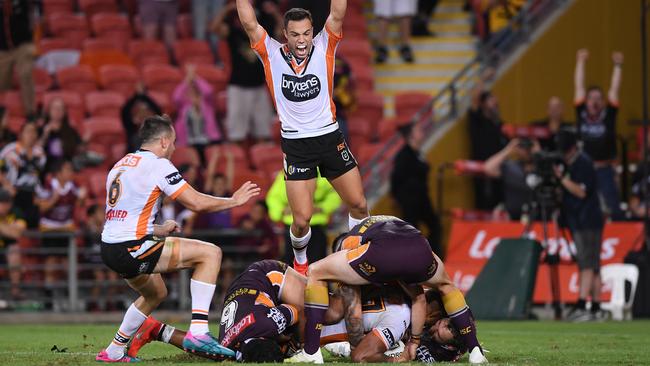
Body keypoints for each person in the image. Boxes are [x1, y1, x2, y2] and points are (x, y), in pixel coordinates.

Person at [96, 115, 260, 362]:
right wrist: (234, 201)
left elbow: (123, 215)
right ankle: (199, 331)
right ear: (163, 141)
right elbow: (195, 202)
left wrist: (158, 229)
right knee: (210, 253)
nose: (174, 148)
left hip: (110, 248)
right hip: (133, 246)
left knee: (156, 292)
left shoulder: (120, 165)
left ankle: (114, 350)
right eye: (173, 142)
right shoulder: (158, 164)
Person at [237, 0, 369, 275]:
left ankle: (358, 258)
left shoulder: (325, 45)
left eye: (306, 33)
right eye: (295, 34)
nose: (302, 40)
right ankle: (300, 261)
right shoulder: (270, 53)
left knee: (358, 203)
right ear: (285, 34)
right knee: (301, 220)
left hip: (329, 137)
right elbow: (250, 23)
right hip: (296, 145)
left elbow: (337, 13)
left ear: (313, 32)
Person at [286, 215, 487, 363]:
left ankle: (311, 351)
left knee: (316, 272)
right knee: (447, 286)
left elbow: (417, 298)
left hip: (391, 243)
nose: (431, 327)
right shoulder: (404, 310)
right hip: (420, 248)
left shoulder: (354, 248)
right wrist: (407, 346)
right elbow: (419, 298)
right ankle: (475, 349)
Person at [126, 260, 307, 362]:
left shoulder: (263, 328)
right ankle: (157, 330)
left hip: (258, 281)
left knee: (312, 309)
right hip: (256, 284)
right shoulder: (230, 346)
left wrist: (286, 339)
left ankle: (156, 329)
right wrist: (296, 345)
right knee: (312, 312)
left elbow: (293, 311)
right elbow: (300, 312)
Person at [210, 1, 279, 144]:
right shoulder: (233, 32)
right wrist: (226, 10)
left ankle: (261, 162)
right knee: (236, 134)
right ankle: (238, 162)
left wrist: (275, 13)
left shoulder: (262, 34)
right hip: (237, 87)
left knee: (264, 133)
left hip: (258, 86)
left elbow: (282, 31)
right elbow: (213, 28)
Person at [554, 129, 605, 322]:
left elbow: (581, 192)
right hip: (578, 220)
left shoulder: (583, 162)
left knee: (587, 263)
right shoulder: (570, 162)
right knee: (593, 264)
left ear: (573, 148)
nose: (564, 155)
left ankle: (583, 303)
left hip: (588, 220)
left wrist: (561, 178)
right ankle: (597, 306)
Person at [574, 48, 624, 220]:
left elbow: (614, 90)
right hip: (585, 169)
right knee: (583, 206)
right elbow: (579, 86)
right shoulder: (581, 113)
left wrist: (618, 66)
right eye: (591, 98)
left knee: (613, 207)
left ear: (602, 102)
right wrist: (580, 62)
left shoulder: (608, 115)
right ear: (586, 101)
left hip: (605, 169)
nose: (594, 101)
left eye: (598, 98)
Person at [35, 160, 87, 309]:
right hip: (49, 228)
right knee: (50, 263)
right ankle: (49, 299)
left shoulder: (73, 186)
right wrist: (54, 198)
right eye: (67, 169)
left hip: (65, 229)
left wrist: (82, 199)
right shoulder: (48, 186)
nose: (71, 173)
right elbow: (42, 207)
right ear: (58, 173)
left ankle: (67, 296)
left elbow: (80, 204)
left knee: (67, 266)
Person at [266, 171, 342, 265]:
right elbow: (273, 198)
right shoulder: (285, 173)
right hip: (292, 224)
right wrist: (281, 211)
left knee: (317, 261)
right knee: (291, 261)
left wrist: (322, 208)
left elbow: (334, 194)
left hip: (316, 224)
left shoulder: (322, 173)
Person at [390, 122, 442, 256]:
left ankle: (433, 257)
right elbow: (396, 178)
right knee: (413, 232)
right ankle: (417, 260)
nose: (422, 132)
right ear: (411, 136)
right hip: (410, 201)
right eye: (418, 130)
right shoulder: (403, 156)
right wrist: (396, 197)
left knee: (435, 225)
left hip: (423, 199)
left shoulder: (418, 153)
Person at [468, 68, 506, 210]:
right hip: (483, 172)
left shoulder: (500, 125)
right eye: (490, 100)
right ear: (483, 104)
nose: (495, 102)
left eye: (495, 100)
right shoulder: (478, 120)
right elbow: (475, 99)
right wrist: (483, 79)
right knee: (485, 205)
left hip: (500, 172)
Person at [172, 64, 221, 164]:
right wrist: (187, 81)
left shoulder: (207, 105)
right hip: (189, 143)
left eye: (196, 94)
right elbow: (176, 97)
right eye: (191, 94)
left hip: (208, 141)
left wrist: (195, 78)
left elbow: (209, 91)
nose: (194, 97)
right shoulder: (184, 107)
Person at [0, 122, 46, 228]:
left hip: (31, 194)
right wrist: (6, 185)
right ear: (20, 134)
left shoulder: (40, 153)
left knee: (32, 228)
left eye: (34, 131)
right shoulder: (10, 150)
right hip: (14, 193)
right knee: (16, 226)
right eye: (28, 131)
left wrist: (38, 193)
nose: (31, 134)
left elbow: (37, 175)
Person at [483, 138, 536, 221]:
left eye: (529, 147)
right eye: (523, 147)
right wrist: (508, 149)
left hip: (539, 217)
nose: (527, 151)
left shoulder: (543, 168)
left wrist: (539, 152)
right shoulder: (510, 166)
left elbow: (558, 177)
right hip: (513, 218)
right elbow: (487, 168)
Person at [0, 0, 36, 118]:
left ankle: (31, 114)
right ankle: (3, 112)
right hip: (3, 48)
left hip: (23, 44)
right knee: (2, 83)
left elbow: (35, 10)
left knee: (25, 74)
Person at [83, 204, 122, 312]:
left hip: (106, 256)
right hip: (93, 258)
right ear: (92, 215)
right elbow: (95, 235)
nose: (102, 214)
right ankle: (93, 303)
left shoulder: (108, 224)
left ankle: (110, 303)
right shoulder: (89, 225)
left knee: (113, 278)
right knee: (100, 278)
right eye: (99, 212)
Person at [38, 97, 84, 173]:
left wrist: (84, 143)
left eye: (60, 109)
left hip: (66, 165)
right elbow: (35, 149)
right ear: (49, 111)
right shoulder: (41, 129)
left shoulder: (70, 130)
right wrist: (45, 135)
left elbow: (79, 148)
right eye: (55, 108)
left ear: (64, 112)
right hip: (47, 166)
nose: (57, 111)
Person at [0, 188, 26, 299]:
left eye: (7, 202)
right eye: (2, 202)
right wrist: (9, 228)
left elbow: (17, 233)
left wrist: (2, 228)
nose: (5, 205)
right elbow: (12, 231)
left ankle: (15, 291)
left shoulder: (16, 212)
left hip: (7, 248)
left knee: (14, 251)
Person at [121, 83, 163, 153]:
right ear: (135, 119)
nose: (144, 118)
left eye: (146, 115)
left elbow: (158, 111)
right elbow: (125, 112)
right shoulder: (132, 130)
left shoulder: (156, 134)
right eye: (141, 116)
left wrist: (144, 96)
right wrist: (137, 96)